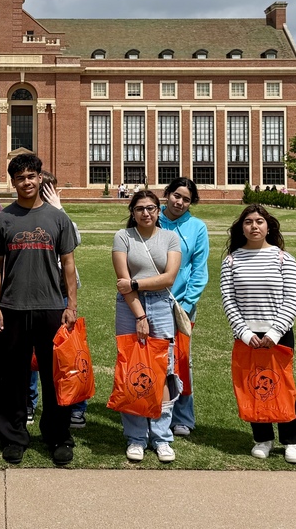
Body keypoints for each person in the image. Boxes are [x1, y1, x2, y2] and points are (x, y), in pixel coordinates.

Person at [0, 154, 78, 466]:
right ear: (12, 183)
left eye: (31, 176)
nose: (26, 182)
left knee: (56, 377)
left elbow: (68, 265)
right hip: (12, 307)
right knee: (12, 377)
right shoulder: (2, 220)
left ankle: (58, 436)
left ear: (40, 178)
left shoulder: (57, 218)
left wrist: (71, 305)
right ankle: (13, 437)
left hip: (52, 307)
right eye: (20, 178)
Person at [220, 204, 296, 464]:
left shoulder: (283, 258)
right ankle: (262, 439)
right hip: (247, 335)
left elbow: (292, 298)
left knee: (282, 386)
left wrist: (276, 331)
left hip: (278, 335)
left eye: (259, 222)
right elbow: (228, 300)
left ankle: (292, 441)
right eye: (248, 222)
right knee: (254, 387)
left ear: (268, 226)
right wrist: (243, 332)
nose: (254, 226)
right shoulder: (232, 260)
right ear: (241, 227)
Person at [113, 190, 182, 463]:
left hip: (162, 305)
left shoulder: (170, 238)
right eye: (140, 208)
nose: (146, 213)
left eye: (151, 208)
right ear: (133, 211)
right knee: (133, 368)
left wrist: (136, 283)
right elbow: (122, 281)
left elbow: (169, 279)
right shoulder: (123, 237)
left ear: (158, 211)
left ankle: (162, 437)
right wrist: (140, 316)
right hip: (130, 307)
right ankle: (136, 437)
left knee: (164, 370)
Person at [27, 171, 85, 428]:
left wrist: (59, 210)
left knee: (67, 354)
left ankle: (73, 405)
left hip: (60, 294)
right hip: (33, 293)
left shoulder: (60, 217)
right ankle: (30, 402)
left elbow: (75, 242)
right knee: (31, 356)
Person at [157, 176, 209, 437]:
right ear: (167, 194)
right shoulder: (153, 219)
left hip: (181, 307)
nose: (180, 202)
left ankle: (183, 417)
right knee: (152, 360)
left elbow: (199, 271)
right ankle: (152, 410)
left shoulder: (197, 228)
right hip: (151, 302)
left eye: (186, 199)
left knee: (181, 361)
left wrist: (187, 304)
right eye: (176, 195)